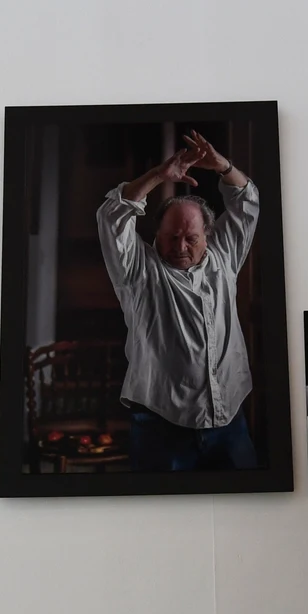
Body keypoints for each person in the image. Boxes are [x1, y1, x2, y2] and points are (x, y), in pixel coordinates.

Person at [96, 131, 261, 471]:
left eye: (191, 238)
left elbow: (247, 202)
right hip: (161, 424)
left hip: (229, 419)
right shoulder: (137, 270)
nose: (181, 247)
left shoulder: (224, 256)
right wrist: (159, 175)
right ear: (156, 234)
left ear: (208, 236)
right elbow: (112, 216)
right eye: (172, 237)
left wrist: (223, 166)